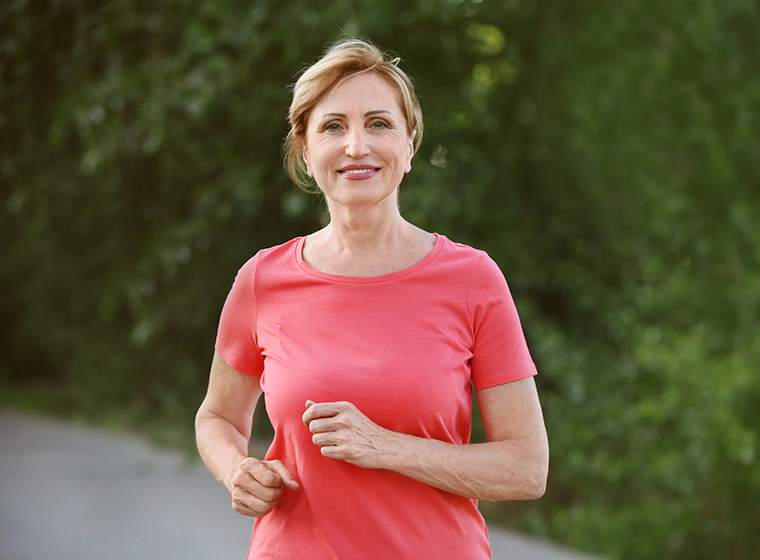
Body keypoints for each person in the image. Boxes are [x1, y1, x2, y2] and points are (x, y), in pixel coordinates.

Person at [195, 38, 549, 560]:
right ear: (306, 151)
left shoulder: (472, 278)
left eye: (379, 124)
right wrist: (237, 470)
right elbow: (218, 418)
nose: (356, 146)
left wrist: (386, 446)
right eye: (333, 126)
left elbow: (527, 469)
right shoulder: (262, 279)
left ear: (410, 145)